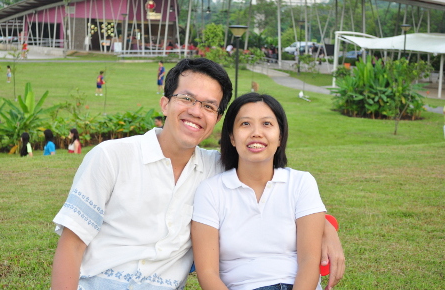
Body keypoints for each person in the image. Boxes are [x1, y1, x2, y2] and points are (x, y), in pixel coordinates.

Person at [51, 58, 344, 290]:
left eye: (208, 106)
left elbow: (272, 184)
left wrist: (326, 227)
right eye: (187, 99)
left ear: (217, 120)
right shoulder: (111, 157)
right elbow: (72, 244)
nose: (195, 111)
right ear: (165, 103)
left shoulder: (215, 169)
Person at [192, 93, 334, 290]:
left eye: (267, 124)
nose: (256, 133)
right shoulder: (210, 191)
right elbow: (207, 272)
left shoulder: (301, 183)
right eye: (245, 124)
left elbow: (310, 260)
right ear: (232, 138)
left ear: (280, 136)